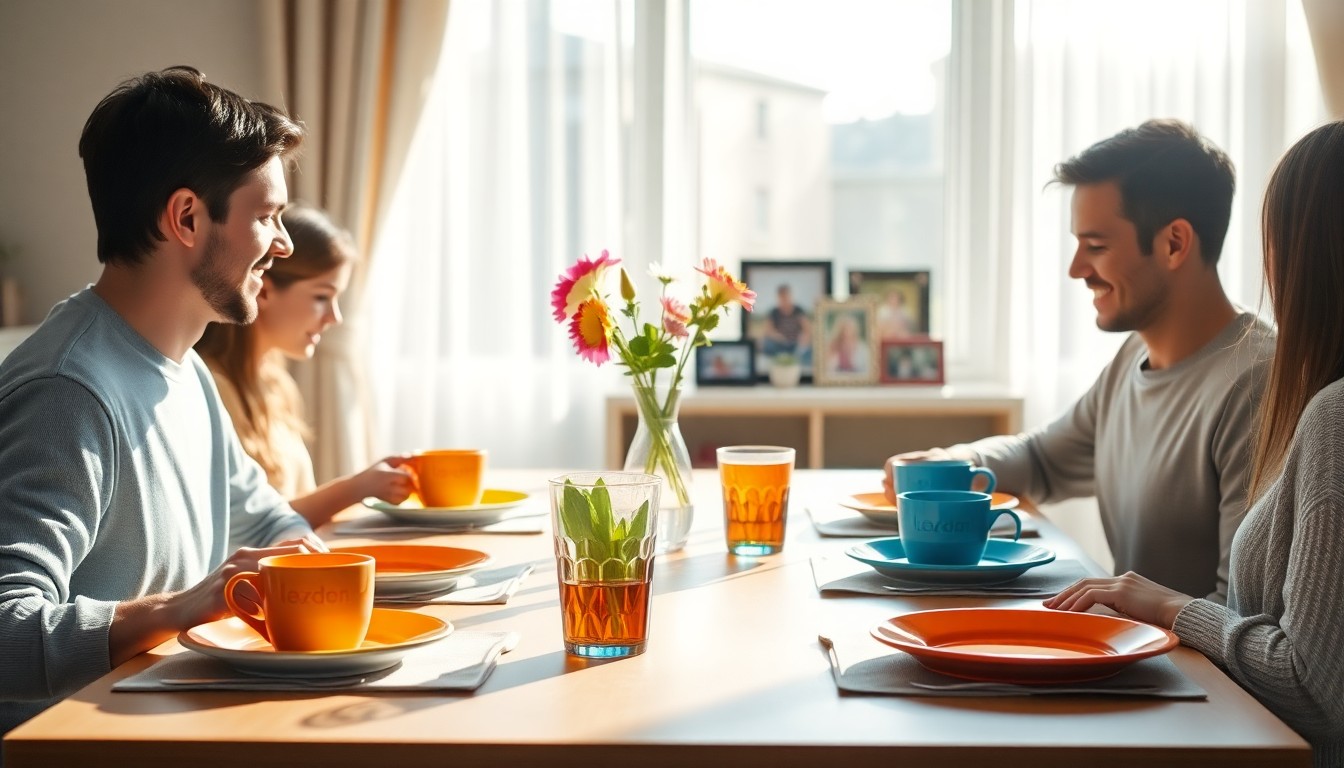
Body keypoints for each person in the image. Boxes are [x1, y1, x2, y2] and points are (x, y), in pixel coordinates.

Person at [0, 66, 318, 736]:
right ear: (186, 218)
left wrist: (324, 571)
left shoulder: (185, 368)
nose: (284, 244)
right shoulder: (68, 393)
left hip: (173, 731)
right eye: (267, 217)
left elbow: (264, 522)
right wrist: (176, 610)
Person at [1046, 120, 1344, 766]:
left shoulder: (1327, 414)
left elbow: (1317, 694)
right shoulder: (1133, 360)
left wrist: (1165, 607)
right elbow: (1047, 452)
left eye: (1277, 241)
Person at [883, 119, 1276, 603]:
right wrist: (957, 463)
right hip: (1129, 651)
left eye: (1096, 246)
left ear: (1174, 243)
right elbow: (1044, 459)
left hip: (1189, 674)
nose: (1076, 269)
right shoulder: (1135, 356)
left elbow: (1243, 612)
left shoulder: (1257, 386)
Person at [195, 204, 414, 528]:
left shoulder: (276, 385)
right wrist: (356, 488)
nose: (334, 317)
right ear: (264, 289)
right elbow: (244, 528)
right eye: (322, 297)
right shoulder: (211, 390)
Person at [762, 283, 812, 365]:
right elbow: (768, 330)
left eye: (786, 297)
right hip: (781, 344)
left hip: (796, 344)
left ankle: (795, 359)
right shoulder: (774, 312)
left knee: (809, 350)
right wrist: (777, 336)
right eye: (782, 297)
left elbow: (807, 329)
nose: (785, 300)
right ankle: (781, 358)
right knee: (767, 344)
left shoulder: (798, 311)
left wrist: (803, 338)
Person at [824, 311, 870, 375]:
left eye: (850, 328)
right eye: (845, 329)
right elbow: (827, 368)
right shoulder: (833, 345)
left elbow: (866, 369)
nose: (848, 332)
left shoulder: (862, 347)